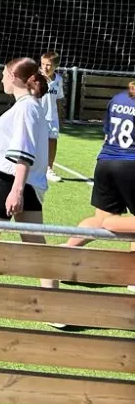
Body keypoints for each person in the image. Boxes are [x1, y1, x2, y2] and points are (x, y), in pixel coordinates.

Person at [0, 58, 56, 290]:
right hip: (26, 183)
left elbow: (24, 153)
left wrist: (16, 191)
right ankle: (55, 300)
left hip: (10, 182)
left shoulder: (26, 107)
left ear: (14, 77)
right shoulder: (30, 106)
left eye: (4, 74)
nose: (1, 79)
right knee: (37, 249)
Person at [62, 81, 135, 281]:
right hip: (131, 165)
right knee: (125, 222)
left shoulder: (118, 99)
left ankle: (65, 252)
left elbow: (107, 135)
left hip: (106, 162)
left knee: (100, 221)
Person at [40, 51, 65, 183]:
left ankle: (49, 168)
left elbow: (59, 99)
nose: (45, 67)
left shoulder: (58, 80)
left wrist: (60, 117)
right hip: (38, 116)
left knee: (52, 141)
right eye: (43, 64)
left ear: (55, 66)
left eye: (48, 65)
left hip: (52, 116)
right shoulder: (36, 78)